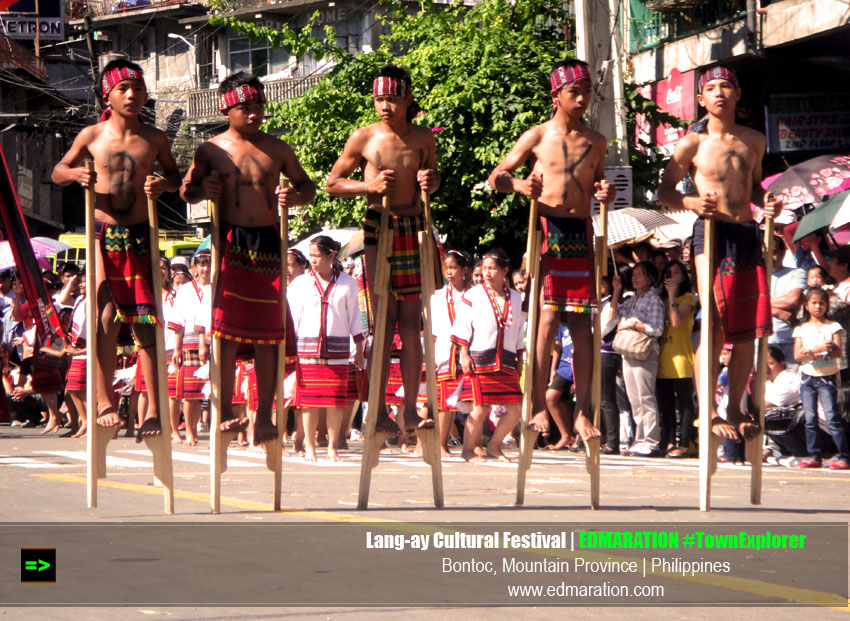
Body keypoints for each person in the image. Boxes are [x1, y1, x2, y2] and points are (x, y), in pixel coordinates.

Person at [180, 70, 315, 444]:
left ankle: (267, 417)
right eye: (245, 108)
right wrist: (201, 189)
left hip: (269, 242)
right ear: (228, 110)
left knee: (269, 335)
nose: (254, 114)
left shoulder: (278, 149)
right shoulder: (210, 149)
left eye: (258, 106)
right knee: (224, 331)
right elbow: (187, 189)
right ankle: (223, 412)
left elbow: (308, 186)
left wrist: (296, 197)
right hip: (229, 241)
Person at [51, 58, 181, 442]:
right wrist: (76, 174)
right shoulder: (92, 135)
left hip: (141, 232)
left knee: (145, 321)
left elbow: (174, 175)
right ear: (108, 93)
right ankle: (104, 401)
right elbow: (59, 171)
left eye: (138, 89)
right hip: (102, 233)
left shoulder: (155, 138)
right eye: (124, 89)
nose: (132, 95)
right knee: (105, 314)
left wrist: (164, 185)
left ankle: (154, 410)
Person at [487, 59, 617, 444]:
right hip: (547, 230)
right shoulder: (537, 136)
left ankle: (581, 413)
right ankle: (537, 403)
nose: (581, 98)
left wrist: (604, 192)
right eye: (573, 92)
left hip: (582, 230)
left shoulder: (597, 141)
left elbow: (598, 183)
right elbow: (497, 175)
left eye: (587, 92)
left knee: (582, 327)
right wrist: (519, 185)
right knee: (545, 322)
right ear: (556, 96)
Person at [657, 65, 780, 444]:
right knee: (711, 320)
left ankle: (734, 408)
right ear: (701, 99)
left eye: (726, 86)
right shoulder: (692, 143)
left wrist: (767, 201)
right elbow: (665, 191)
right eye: (711, 88)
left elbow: (754, 186)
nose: (719, 93)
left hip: (745, 232)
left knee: (747, 331)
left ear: (737, 94)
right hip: (709, 232)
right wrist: (692, 201)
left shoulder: (754, 140)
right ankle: (708, 408)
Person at [325, 64, 439, 434]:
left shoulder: (423, 138)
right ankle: (377, 410)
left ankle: (408, 408)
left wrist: (431, 180)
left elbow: (433, 179)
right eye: (379, 99)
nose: (384, 106)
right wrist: (368, 188)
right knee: (383, 320)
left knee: (411, 325)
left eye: (391, 98)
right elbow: (333, 183)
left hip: (415, 224)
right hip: (379, 224)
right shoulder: (363, 137)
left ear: (407, 99)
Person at [288, 236, 364, 461]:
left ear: (331, 256)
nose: (312, 260)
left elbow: (355, 319)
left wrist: (359, 348)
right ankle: (309, 445)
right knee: (309, 402)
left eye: (317, 256)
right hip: (307, 350)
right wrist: (290, 350)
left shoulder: (347, 284)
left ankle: (332, 446)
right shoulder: (300, 284)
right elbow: (292, 318)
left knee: (335, 402)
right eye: (310, 255)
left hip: (338, 350)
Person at [451, 250, 525, 462]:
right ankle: (467, 450)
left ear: (504, 270)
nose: (487, 273)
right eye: (484, 268)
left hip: (507, 359)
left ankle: (493, 446)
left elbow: (519, 329)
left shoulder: (516, 298)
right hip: (480, 358)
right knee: (480, 407)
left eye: (492, 268)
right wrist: (464, 354)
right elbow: (462, 326)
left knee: (515, 408)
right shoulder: (473, 295)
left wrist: (520, 357)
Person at [610, 262, 666, 457]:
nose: (635, 278)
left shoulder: (654, 300)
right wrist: (617, 292)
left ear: (649, 278)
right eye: (633, 274)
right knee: (634, 398)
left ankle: (651, 441)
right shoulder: (631, 300)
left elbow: (656, 329)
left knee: (646, 397)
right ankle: (640, 439)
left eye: (640, 274)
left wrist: (634, 324)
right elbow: (614, 317)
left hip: (645, 352)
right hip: (628, 352)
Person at [793, 287, 850, 469]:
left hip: (827, 377)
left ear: (827, 305)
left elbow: (837, 352)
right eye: (814, 303)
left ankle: (844, 455)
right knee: (810, 418)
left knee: (832, 415)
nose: (818, 307)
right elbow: (797, 355)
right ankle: (814, 455)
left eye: (822, 303)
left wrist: (812, 352)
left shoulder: (833, 327)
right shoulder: (801, 329)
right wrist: (818, 350)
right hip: (808, 377)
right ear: (807, 306)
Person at [430, 249, 472, 458]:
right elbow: (434, 329)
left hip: (471, 351)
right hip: (446, 352)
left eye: (454, 267)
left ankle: (474, 444)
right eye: (447, 268)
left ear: (465, 270)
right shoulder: (438, 296)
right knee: (446, 401)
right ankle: (440, 444)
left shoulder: (475, 294)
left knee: (476, 400)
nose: (449, 272)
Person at [656, 260, 697, 458]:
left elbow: (675, 321)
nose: (672, 277)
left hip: (680, 357)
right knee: (665, 405)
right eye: (668, 273)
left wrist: (672, 296)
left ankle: (685, 443)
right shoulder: (658, 299)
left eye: (676, 273)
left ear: (683, 277)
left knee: (685, 403)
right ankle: (667, 441)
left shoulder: (688, 298)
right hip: (662, 357)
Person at [170, 252, 209, 446]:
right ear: (194, 266)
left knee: (213, 393)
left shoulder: (217, 287)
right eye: (201, 264)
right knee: (191, 394)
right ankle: (190, 432)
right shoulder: (185, 290)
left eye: (208, 264)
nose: (205, 269)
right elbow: (178, 321)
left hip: (214, 344)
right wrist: (177, 349)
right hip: (190, 345)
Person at [770, 235, 805, 367]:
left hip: (790, 339)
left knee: (793, 384)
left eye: (774, 253)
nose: (770, 257)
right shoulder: (755, 276)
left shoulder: (797, 273)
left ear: (783, 252)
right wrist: (777, 311)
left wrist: (761, 303)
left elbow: (793, 300)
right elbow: (748, 305)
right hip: (762, 340)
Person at [544, 323, 576, 450]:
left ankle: (568, 435)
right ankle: (566, 435)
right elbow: (557, 348)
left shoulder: (582, 323)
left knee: (553, 398)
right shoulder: (562, 327)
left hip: (576, 366)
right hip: (563, 367)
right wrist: (553, 368)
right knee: (555, 399)